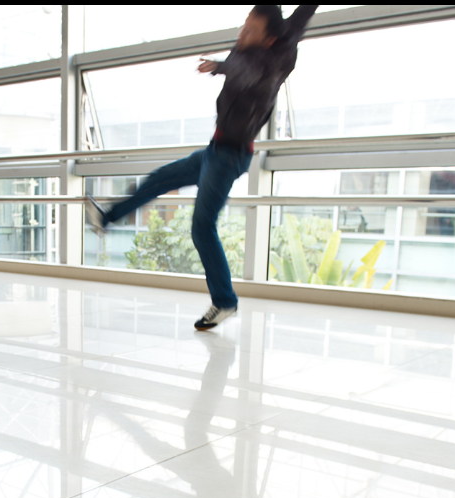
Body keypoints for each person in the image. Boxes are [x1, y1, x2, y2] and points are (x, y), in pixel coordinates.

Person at [86, 4, 318, 330]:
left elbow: (244, 70)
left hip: (229, 157)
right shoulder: (279, 39)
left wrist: (219, 66)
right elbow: (302, 14)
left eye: (250, 30)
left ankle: (224, 301)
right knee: (160, 179)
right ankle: (107, 217)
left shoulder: (261, 64)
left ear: (267, 41)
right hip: (216, 151)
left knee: (202, 226)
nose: (242, 32)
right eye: (244, 25)